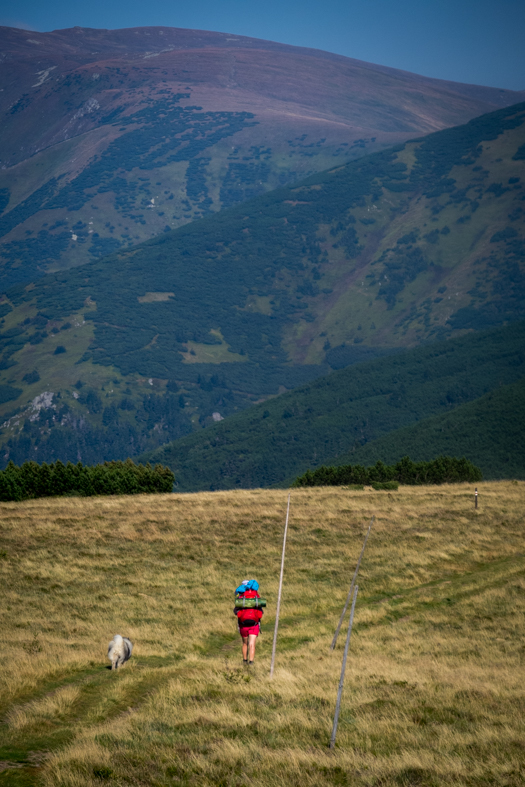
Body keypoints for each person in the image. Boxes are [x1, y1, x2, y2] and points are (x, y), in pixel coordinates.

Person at [234, 579, 263, 665]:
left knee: (245, 643)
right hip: (254, 624)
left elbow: (236, 611)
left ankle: (244, 661)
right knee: (252, 644)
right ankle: (251, 662)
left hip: (243, 624)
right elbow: (260, 612)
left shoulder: (241, 598)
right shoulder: (256, 597)